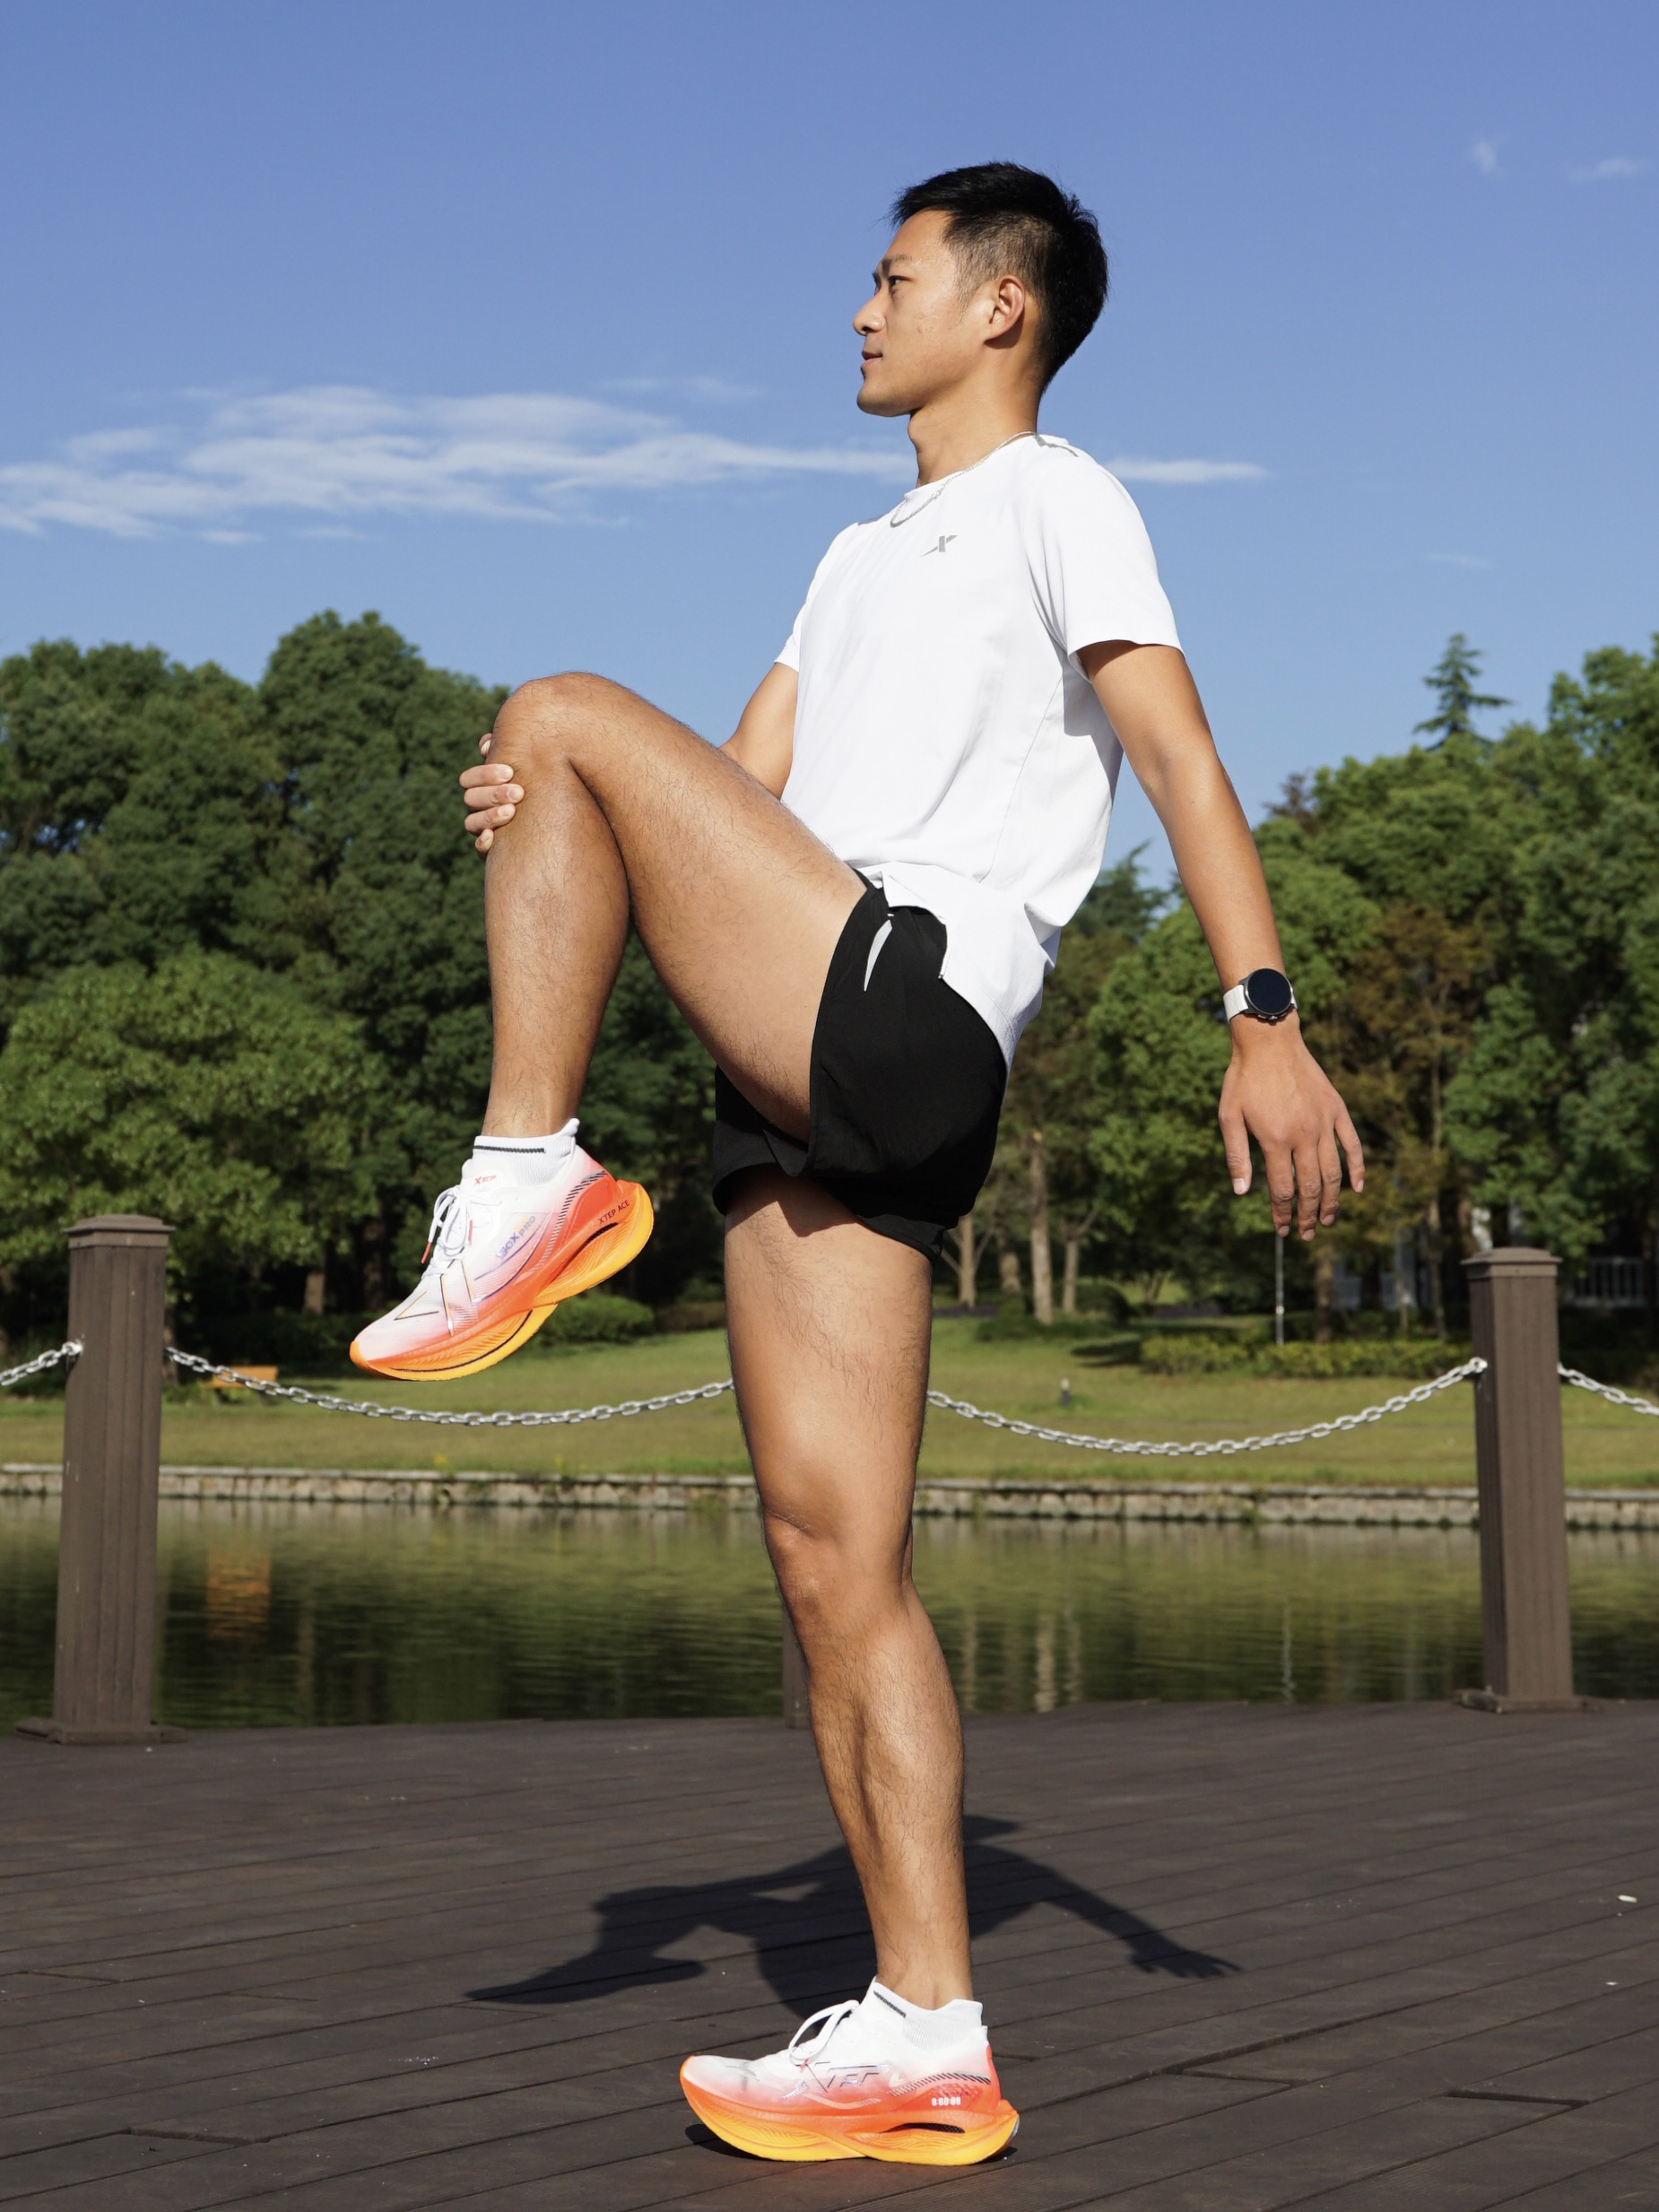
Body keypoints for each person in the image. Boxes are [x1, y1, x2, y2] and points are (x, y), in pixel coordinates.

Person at [352, 161, 1363, 2166]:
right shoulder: (848, 559)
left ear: (1001, 307)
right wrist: (550, 812)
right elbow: (738, 798)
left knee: (560, 702)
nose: (856, 308)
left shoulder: (1056, 498)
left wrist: (1261, 1012)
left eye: (892, 276)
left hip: (906, 989)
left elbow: (1178, 755)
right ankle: (923, 2024)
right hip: (816, 1044)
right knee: (833, 1564)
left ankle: (531, 1169)